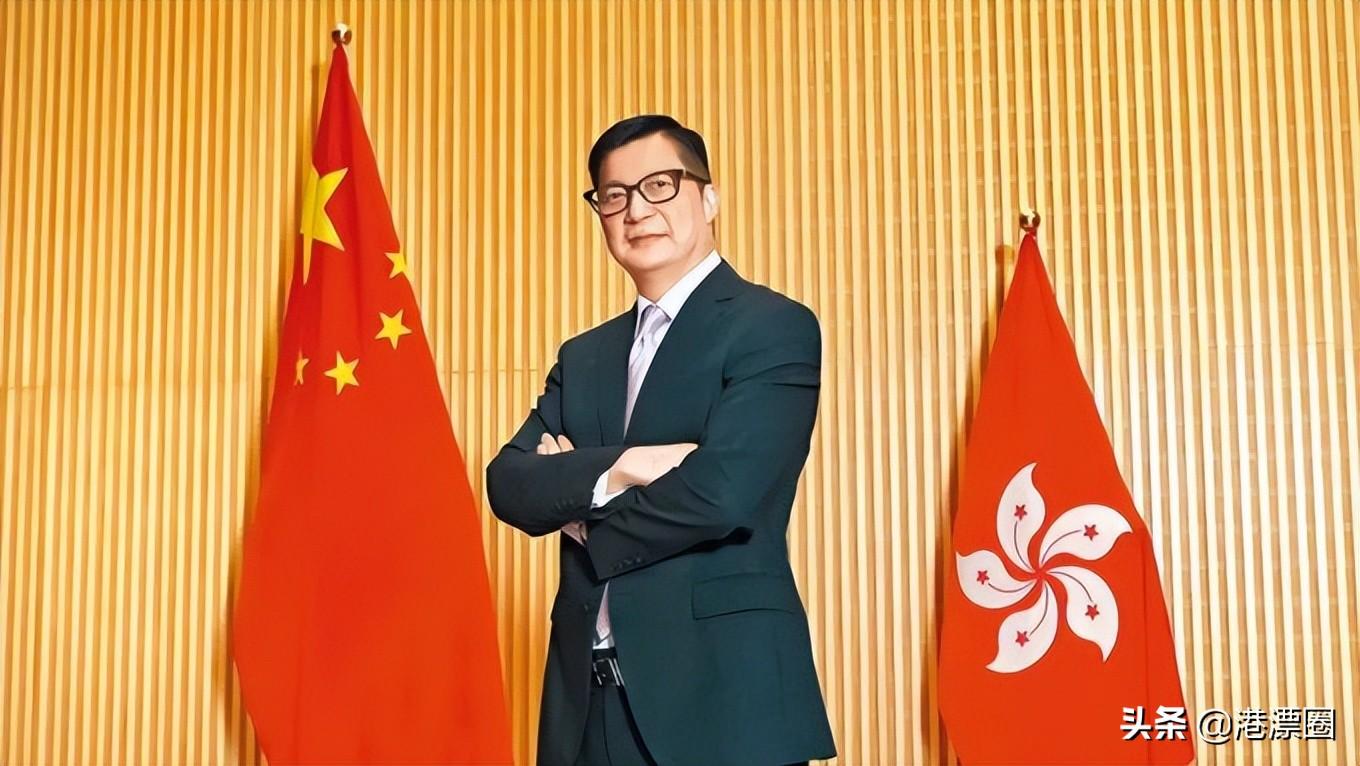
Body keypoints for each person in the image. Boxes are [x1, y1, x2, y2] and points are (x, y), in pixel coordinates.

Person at [486, 114, 835, 766]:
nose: (636, 210)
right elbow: (509, 484)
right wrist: (627, 466)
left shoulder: (773, 326)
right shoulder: (584, 355)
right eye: (613, 195)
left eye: (659, 186)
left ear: (709, 198)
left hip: (723, 704)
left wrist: (583, 512)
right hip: (587, 711)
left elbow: (721, 493)